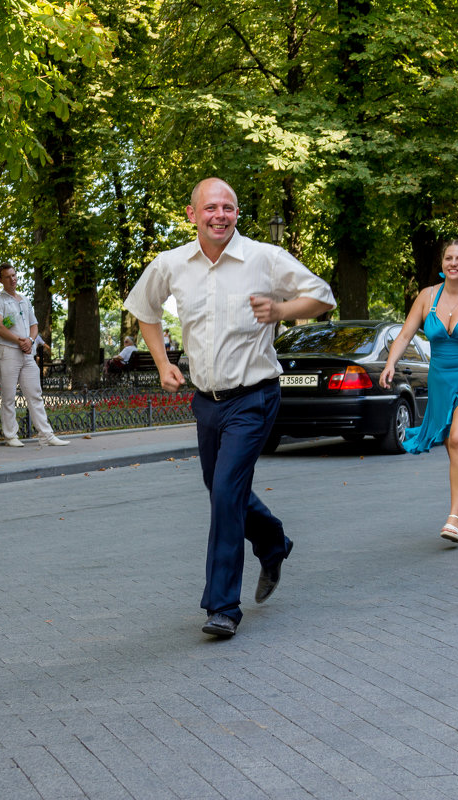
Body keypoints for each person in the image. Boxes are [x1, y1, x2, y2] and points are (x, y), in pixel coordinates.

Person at [124, 177, 335, 639]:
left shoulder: (262, 257)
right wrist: (162, 363)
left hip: (254, 395)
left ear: (237, 214)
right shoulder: (172, 264)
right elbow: (145, 308)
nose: (220, 215)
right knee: (218, 487)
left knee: (224, 495)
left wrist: (280, 311)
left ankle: (222, 607)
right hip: (207, 401)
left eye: (229, 208)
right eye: (211, 207)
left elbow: (322, 295)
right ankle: (273, 541)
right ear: (192, 213)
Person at [379, 238, 458, 543]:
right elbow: (404, 335)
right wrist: (390, 364)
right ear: (442, 264)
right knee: (456, 446)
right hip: (442, 380)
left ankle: (455, 517)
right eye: (448, 258)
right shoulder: (427, 297)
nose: (453, 263)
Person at [0, 263, 70, 448]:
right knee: (9, 395)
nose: (12, 279)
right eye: (8, 276)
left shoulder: (24, 300)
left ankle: (46, 435)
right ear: (1, 280)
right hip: (8, 351)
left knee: (35, 393)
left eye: (14, 275)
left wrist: (31, 341)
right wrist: (19, 340)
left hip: (27, 352)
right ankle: (11, 435)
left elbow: (34, 325)